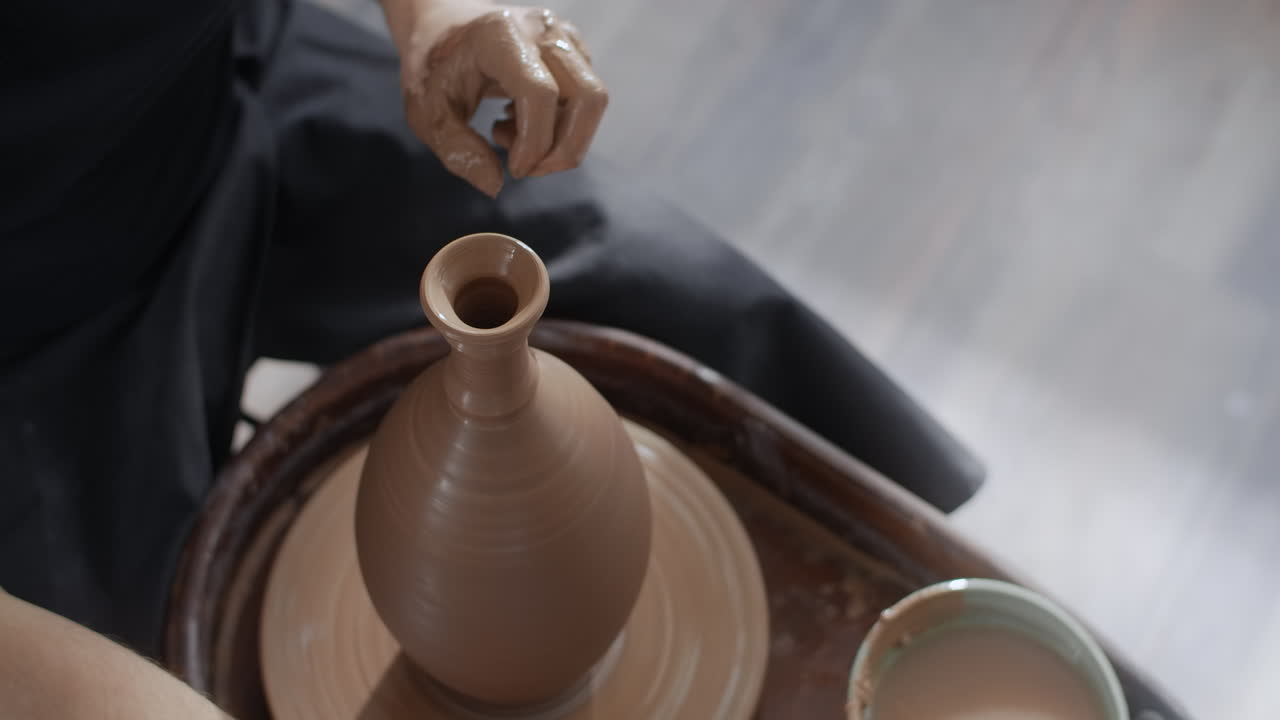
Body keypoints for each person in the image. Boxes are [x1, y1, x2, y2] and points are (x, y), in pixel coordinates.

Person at [0, 0, 984, 669]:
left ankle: (959, 639)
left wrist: (438, 14)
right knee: (146, 656)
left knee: (680, 296)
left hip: (217, 77)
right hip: (38, 309)